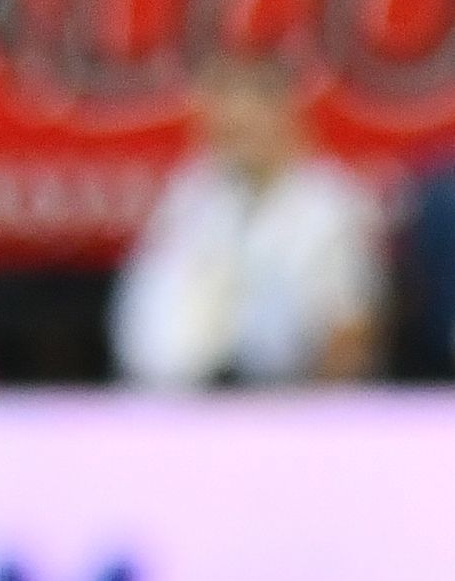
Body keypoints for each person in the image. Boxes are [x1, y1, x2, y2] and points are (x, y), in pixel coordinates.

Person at [111, 50, 382, 385]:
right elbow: (147, 315)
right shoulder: (190, 195)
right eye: (225, 123)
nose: (232, 134)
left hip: (290, 406)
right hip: (181, 404)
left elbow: (348, 336)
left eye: (246, 122)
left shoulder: (330, 205)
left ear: (284, 117)